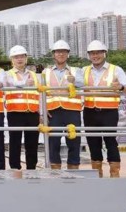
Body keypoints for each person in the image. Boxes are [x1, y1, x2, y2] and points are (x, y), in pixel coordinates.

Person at [82, 40, 126, 178]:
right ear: (89, 55)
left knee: (110, 141)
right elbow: (75, 86)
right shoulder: (84, 70)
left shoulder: (116, 69)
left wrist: (121, 87)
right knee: (93, 142)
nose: (95, 56)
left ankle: (114, 175)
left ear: (104, 53)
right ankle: (97, 175)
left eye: (98, 53)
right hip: (90, 111)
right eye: (92, 53)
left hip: (109, 112)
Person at [43, 40, 84, 170]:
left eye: (64, 52)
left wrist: (74, 81)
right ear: (54, 54)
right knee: (53, 142)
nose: (61, 54)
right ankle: (55, 173)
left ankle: (73, 171)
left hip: (72, 111)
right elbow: (41, 92)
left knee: (73, 141)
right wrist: (42, 111)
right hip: (53, 111)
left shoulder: (76, 70)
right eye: (58, 52)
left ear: (68, 54)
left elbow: (82, 84)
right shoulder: (46, 72)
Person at [5, 45, 41, 170]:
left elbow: (39, 94)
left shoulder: (34, 75)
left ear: (26, 58)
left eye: (22, 56)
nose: (19, 59)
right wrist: (24, 84)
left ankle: (31, 169)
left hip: (32, 113)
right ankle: (15, 169)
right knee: (15, 142)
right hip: (15, 112)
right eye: (16, 57)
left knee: (32, 143)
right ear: (12, 60)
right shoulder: (7, 75)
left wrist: (41, 112)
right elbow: (9, 84)